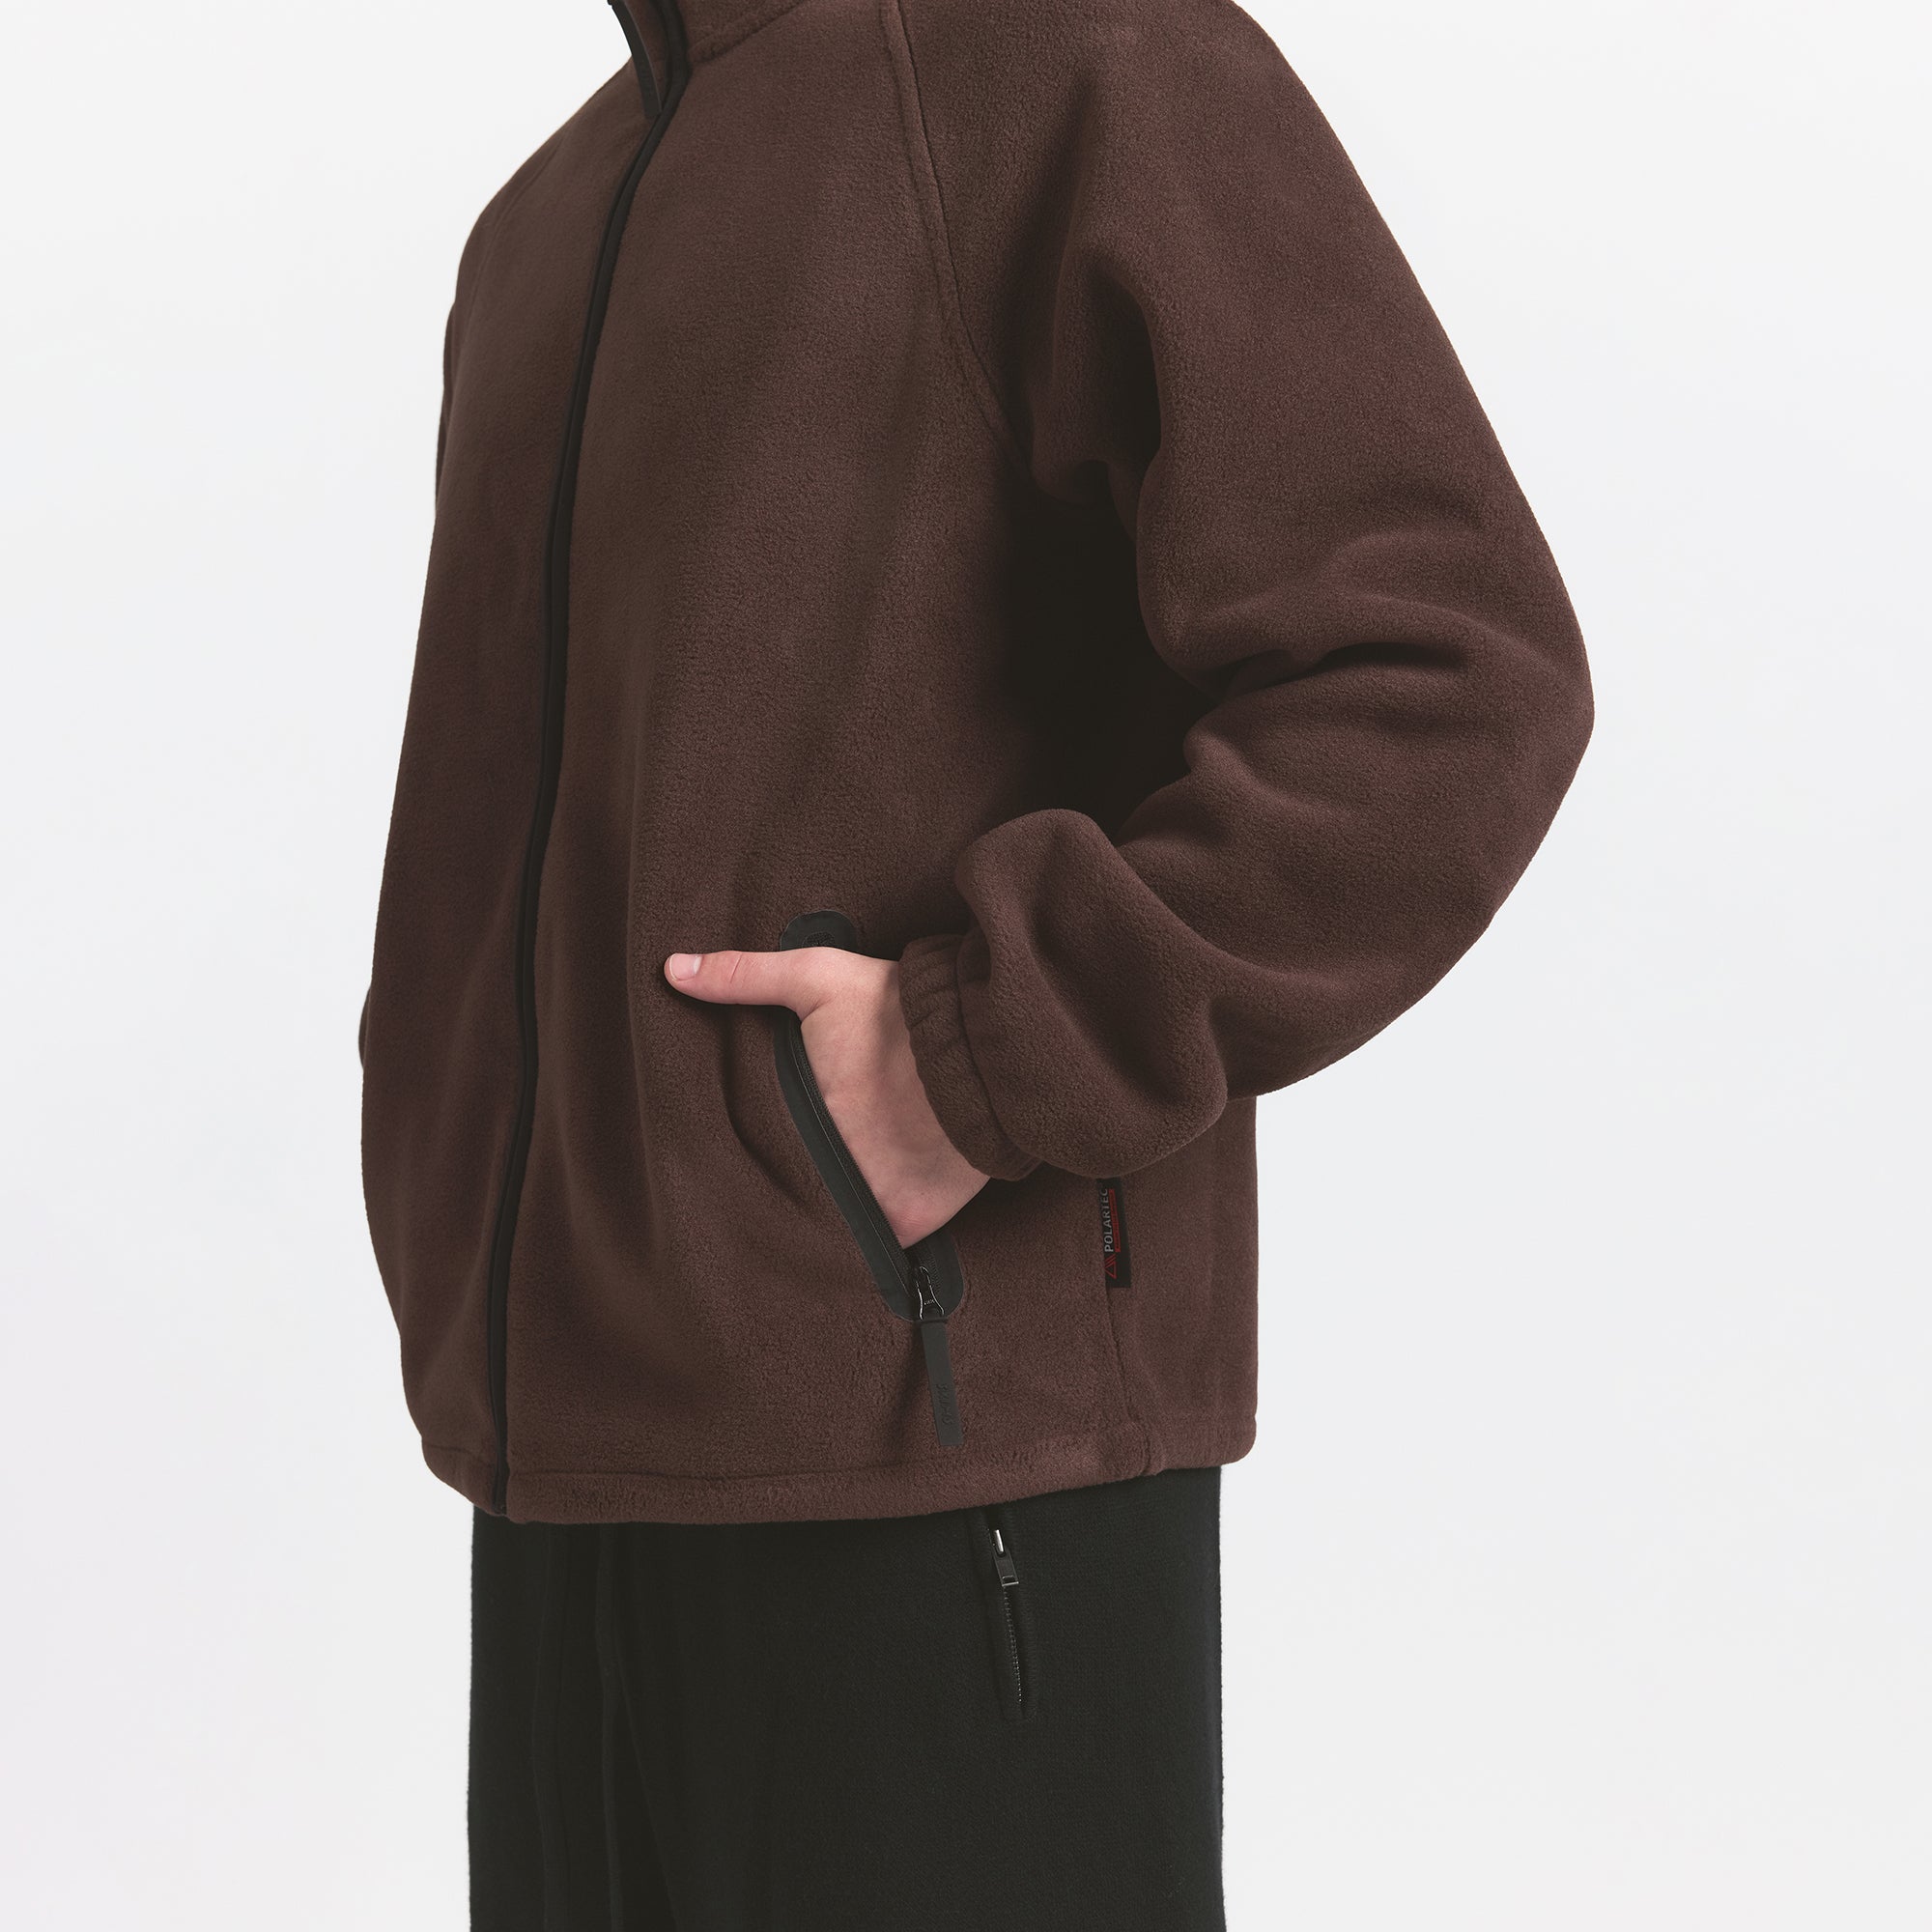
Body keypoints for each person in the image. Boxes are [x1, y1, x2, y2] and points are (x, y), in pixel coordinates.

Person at [359, 0, 1592, 1923]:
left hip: (944, 1458)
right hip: (566, 1486)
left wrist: (985, 1055)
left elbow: (1445, 674)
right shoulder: (546, 215)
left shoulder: (1074, 54)